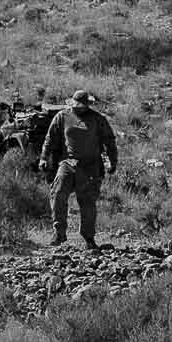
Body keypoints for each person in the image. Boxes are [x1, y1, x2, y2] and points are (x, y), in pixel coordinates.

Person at [39, 88, 118, 249]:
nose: (79, 108)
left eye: (82, 105)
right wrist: (43, 158)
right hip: (67, 163)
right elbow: (50, 138)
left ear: (88, 105)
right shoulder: (62, 116)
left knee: (88, 202)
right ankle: (59, 233)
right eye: (77, 105)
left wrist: (112, 162)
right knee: (58, 194)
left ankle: (89, 238)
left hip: (90, 166)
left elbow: (109, 141)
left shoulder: (97, 119)